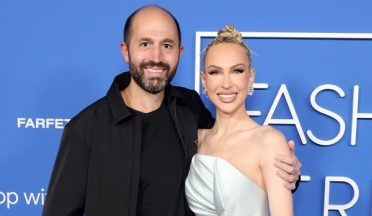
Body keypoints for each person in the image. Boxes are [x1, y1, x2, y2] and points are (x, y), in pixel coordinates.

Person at [42, 5, 300, 216]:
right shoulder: (87, 128)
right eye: (145, 44)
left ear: (180, 51)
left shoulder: (190, 110)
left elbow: (236, 158)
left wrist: (284, 172)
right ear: (125, 51)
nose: (156, 56)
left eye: (167, 45)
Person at [185, 24, 294, 216]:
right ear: (204, 80)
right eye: (215, 72)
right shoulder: (196, 139)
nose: (226, 83)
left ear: (250, 77)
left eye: (236, 71)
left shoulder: (269, 141)